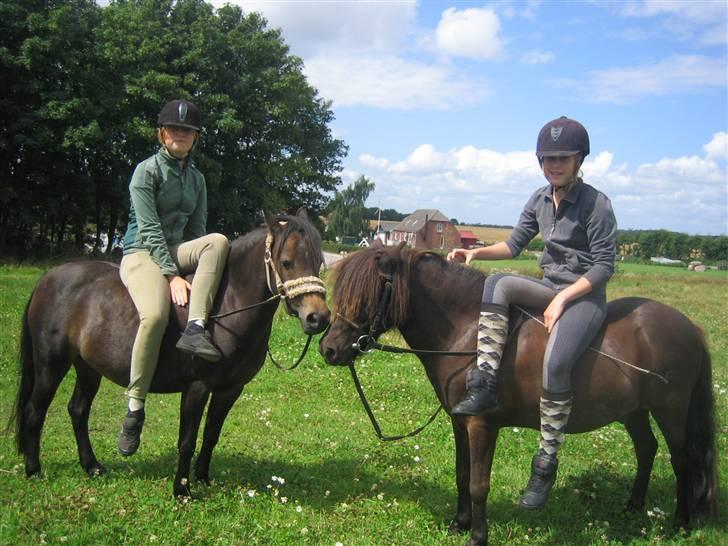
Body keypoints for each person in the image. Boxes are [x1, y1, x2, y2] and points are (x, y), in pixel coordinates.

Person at [447, 116, 616, 510]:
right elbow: (514, 245)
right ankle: (484, 383)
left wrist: (562, 300)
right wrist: (476, 253)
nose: (554, 165)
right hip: (550, 286)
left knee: (555, 364)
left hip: (584, 295)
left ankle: (545, 462)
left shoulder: (596, 203)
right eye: (547, 158)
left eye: (562, 157)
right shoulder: (539, 198)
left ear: (579, 160)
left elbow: (604, 266)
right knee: (498, 283)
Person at [118, 99, 230, 456]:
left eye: (189, 131)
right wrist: (171, 277)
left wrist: (194, 275)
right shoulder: (145, 172)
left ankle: (196, 329)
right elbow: (150, 230)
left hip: (177, 250)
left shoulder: (197, 179)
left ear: (195, 138)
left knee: (217, 241)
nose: (181, 135)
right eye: (175, 129)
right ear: (162, 134)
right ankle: (135, 408)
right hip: (142, 253)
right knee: (154, 316)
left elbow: (197, 232)